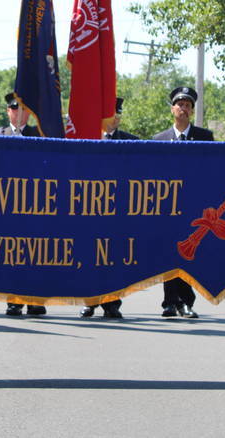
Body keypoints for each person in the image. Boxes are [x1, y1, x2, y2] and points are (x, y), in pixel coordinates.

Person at [151, 86, 214, 318]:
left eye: (188, 106)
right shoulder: (159, 140)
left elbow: (210, 171)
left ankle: (186, 302)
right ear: (172, 109)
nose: (184, 109)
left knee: (189, 254)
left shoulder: (205, 137)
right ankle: (169, 302)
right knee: (169, 254)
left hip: (193, 206)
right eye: (180, 105)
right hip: (167, 206)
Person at [0, 92, 46, 316]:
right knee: (11, 256)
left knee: (38, 256)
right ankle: (14, 300)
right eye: (14, 108)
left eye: (23, 108)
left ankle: (36, 300)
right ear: (8, 111)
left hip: (36, 205)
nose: (18, 112)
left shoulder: (40, 134)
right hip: (7, 206)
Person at [82, 97, 134, 319]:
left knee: (113, 259)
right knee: (89, 259)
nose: (114, 117)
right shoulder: (85, 140)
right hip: (90, 210)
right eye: (110, 113)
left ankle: (112, 303)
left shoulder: (132, 142)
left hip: (117, 212)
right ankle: (89, 302)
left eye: (117, 114)